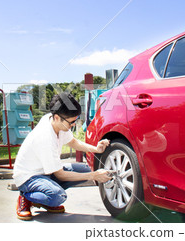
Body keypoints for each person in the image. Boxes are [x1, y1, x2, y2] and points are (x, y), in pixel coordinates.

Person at [12, 92, 112, 220]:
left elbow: (73, 142)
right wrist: (94, 176)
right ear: (58, 118)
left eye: (75, 120)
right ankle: (25, 196)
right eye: (71, 122)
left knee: (85, 169)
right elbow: (60, 175)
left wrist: (96, 149)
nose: (73, 125)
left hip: (46, 172)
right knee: (58, 196)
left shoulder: (54, 120)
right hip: (29, 177)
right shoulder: (44, 138)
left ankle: (46, 196)